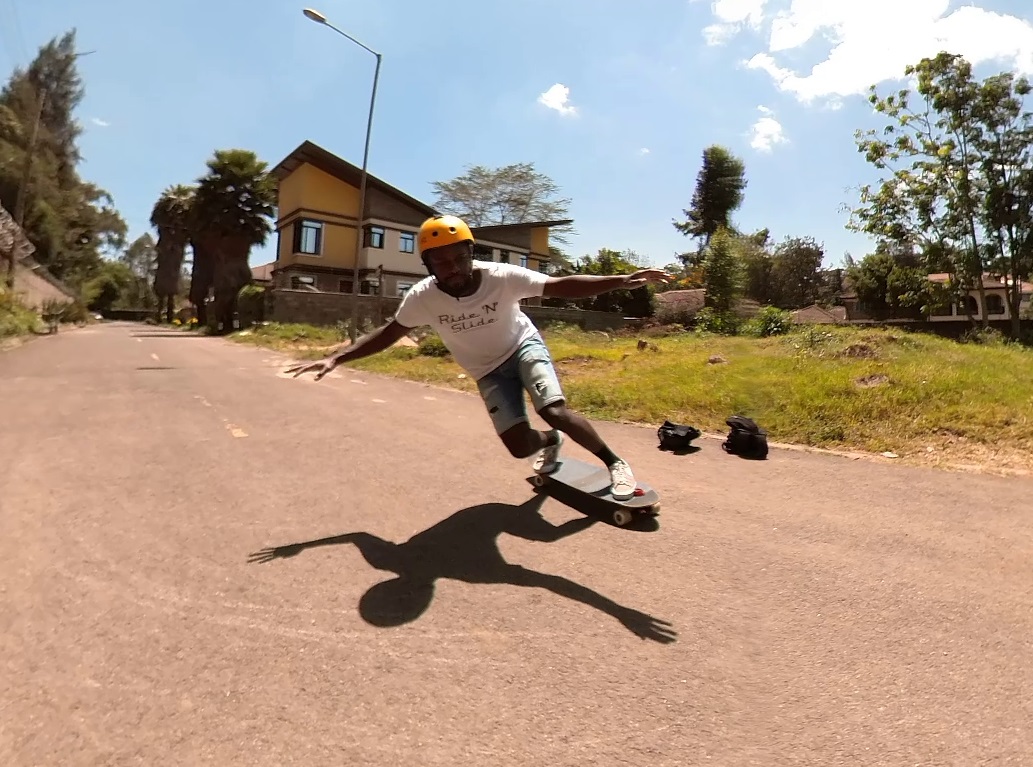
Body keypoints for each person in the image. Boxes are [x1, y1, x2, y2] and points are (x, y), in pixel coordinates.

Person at [285, 214, 670, 500]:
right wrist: (337, 358)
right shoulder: (422, 297)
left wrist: (623, 279)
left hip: (522, 347)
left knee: (553, 408)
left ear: (470, 253)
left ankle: (615, 462)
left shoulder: (500, 276)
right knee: (520, 446)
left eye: (457, 259)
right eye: (440, 263)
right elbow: (389, 333)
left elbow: (559, 286)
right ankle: (551, 441)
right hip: (487, 371)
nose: (451, 270)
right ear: (428, 266)